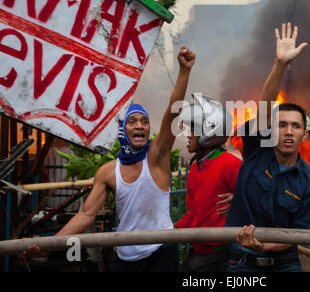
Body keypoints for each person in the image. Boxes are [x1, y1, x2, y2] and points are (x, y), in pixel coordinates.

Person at [24, 46, 197, 272]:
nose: (139, 126)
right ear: (123, 130)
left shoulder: (157, 158)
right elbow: (86, 215)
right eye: (132, 121)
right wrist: (51, 243)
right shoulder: (107, 171)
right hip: (125, 256)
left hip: (160, 253)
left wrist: (184, 71)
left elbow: (172, 113)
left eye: (144, 122)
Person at [225, 22, 310, 272]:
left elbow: (300, 233)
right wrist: (280, 65)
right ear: (271, 130)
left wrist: (264, 246)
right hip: (242, 263)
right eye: (281, 125)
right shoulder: (258, 153)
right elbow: (265, 109)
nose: (289, 131)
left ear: (305, 135)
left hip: (285, 264)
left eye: (296, 126)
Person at [175, 94, 242, 272]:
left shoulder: (231, 164)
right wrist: (168, 231)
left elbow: (254, 203)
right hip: (197, 253)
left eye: (192, 129)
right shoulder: (197, 166)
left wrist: (238, 202)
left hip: (221, 257)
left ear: (210, 130)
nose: (187, 134)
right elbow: (194, 213)